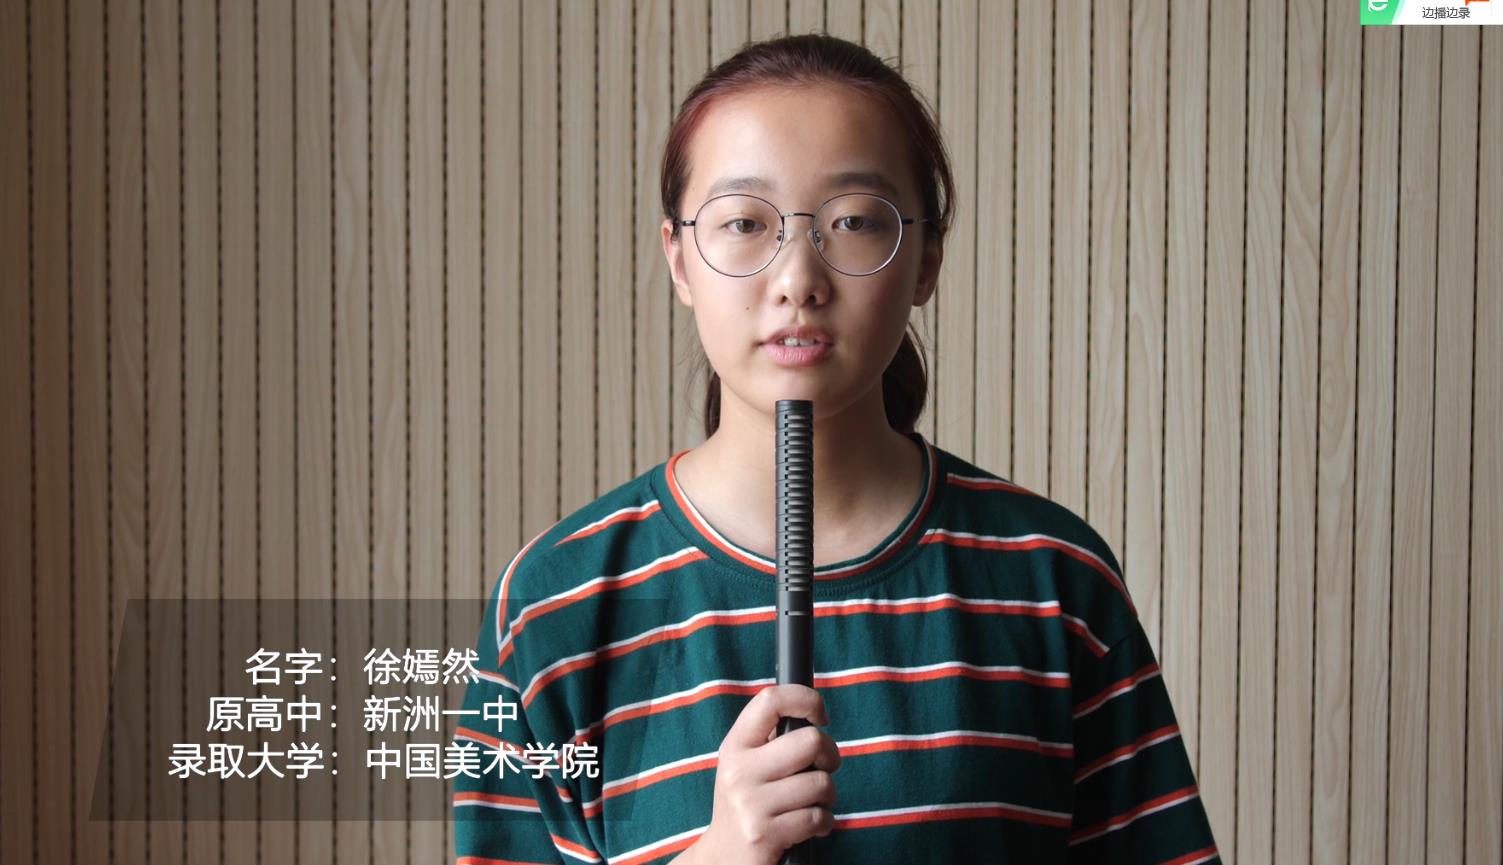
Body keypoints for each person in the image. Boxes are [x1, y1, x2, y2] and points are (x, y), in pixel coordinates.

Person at [452, 33, 1220, 865]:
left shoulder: (1052, 578)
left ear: (925, 258)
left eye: (852, 221)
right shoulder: (554, 603)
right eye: (743, 223)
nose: (797, 279)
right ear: (677, 258)